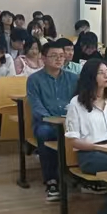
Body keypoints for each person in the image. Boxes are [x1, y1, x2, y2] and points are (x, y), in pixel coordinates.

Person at [65, 58, 107, 214]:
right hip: (90, 154)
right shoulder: (76, 103)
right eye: (101, 73)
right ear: (90, 77)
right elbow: (73, 141)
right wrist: (99, 147)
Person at [27, 42, 79, 201]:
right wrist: (53, 120)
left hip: (70, 121)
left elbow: (79, 101)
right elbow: (36, 106)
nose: (59, 59)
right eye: (54, 56)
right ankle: (51, 181)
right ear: (43, 58)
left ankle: (79, 175)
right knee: (45, 132)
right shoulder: (34, 79)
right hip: (46, 122)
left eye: (62, 56)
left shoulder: (73, 78)